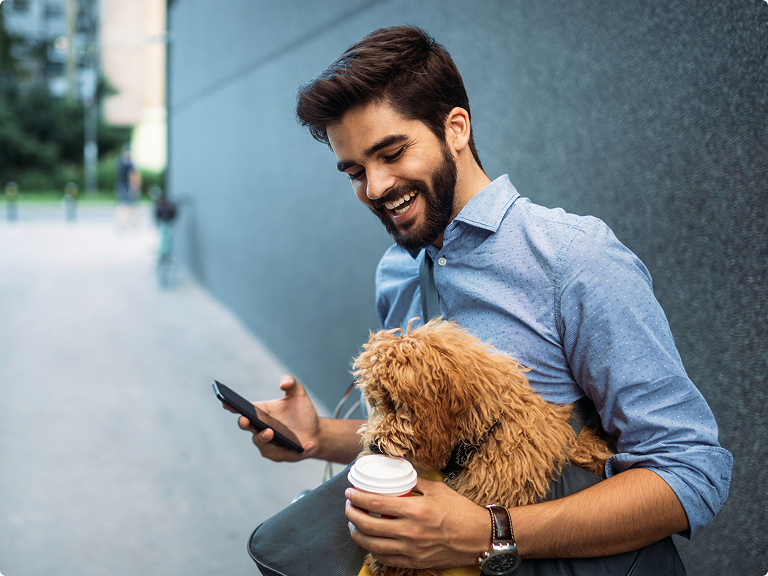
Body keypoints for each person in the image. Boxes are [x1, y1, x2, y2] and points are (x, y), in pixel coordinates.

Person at [228, 26, 732, 571]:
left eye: (392, 152)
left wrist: (489, 531)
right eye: (354, 171)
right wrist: (317, 436)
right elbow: (434, 446)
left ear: (457, 128)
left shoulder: (573, 259)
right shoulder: (398, 270)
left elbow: (691, 473)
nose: (374, 188)